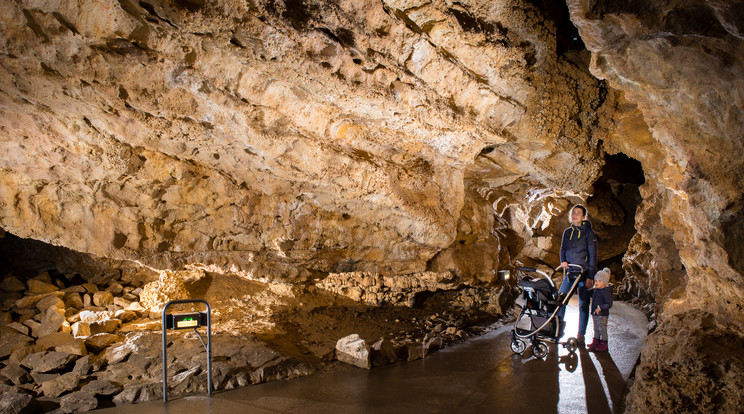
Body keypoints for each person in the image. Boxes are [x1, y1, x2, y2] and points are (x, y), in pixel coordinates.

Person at [556, 204, 597, 346]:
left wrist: (591, 276)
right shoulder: (567, 232)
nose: (575, 215)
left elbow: (593, 256)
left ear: (584, 217)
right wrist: (563, 261)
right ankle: (557, 330)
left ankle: (581, 334)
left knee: (583, 305)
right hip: (570, 273)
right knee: (560, 301)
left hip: (583, 274)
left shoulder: (588, 233)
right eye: (573, 213)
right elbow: (562, 250)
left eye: (578, 213)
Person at [588, 268, 613, 352]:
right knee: (596, 329)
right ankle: (596, 341)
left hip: (602, 315)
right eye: (596, 281)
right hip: (595, 314)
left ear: (604, 282)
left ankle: (604, 344)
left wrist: (600, 308)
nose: (597, 283)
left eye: (599, 281)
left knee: (602, 329)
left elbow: (609, 303)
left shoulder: (605, 292)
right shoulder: (598, 290)